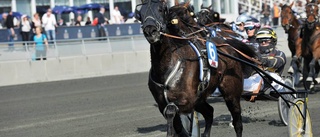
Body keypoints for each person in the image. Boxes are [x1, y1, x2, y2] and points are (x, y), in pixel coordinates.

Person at [244, 27, 287, 102]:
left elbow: (277, 62)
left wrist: (265, 61)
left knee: (269, 76)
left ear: (273, 40)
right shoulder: (255, 54)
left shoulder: (279, 53)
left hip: (275, 79)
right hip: (256, 79)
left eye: (266, 40)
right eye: (261, 40)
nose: (263, 42)